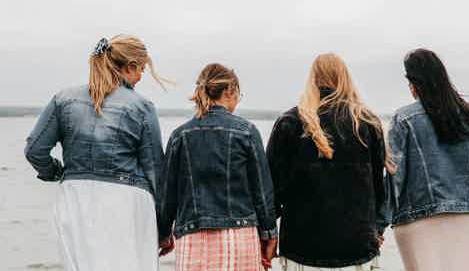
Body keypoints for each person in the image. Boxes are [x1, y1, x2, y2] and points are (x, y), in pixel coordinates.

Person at [24, 35, 170, 271]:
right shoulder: (141, 106)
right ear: (130, 66)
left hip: (75, 198)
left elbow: (34, 150)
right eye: (141, 69)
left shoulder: (63, 99)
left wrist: (58, 173)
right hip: (126, 200)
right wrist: (164, 229)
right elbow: (155, 171)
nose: (141, 77)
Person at [266, 53, 389, 270]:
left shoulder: (290, 123)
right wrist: (377, 228)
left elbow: (271, 190)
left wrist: (267, 235)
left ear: (312, 80)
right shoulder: (367, 123)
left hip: (301, 246)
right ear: (344, 78)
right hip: (357, 246)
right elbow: (380, 189)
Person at [385, 48, 469, 271]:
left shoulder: (404, 119)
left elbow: (394, 179)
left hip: (416, 221)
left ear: (414, 83)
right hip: (464, 219)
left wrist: (377, 225)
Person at [159, 63, 278, 271]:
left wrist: (163, 234)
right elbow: (262, 191)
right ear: (228, 91)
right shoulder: (247, 132)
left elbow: (167, 194)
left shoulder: (180, 135)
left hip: (193, 238)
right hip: (240, 237)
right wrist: (269, 234)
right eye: (237, 95)